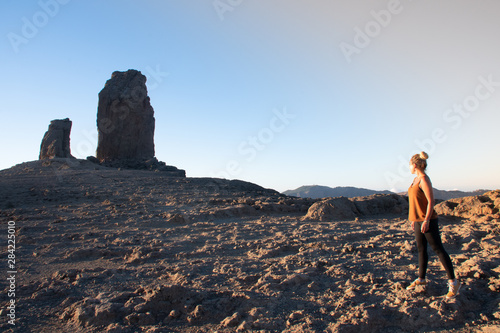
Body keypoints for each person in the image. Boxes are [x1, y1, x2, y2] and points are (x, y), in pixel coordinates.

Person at [406, 151, 461, 299]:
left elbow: (431, 201)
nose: (409, 167)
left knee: (438, 249)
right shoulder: (415, 179)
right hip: (417, 220)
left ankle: (453, 282)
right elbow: (416, 201)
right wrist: (414, 219)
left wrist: (426, 220)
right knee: (421, 249)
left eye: (410, 165)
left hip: (427, 220)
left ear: (415, 165)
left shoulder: (424, 179)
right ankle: (421, 279)